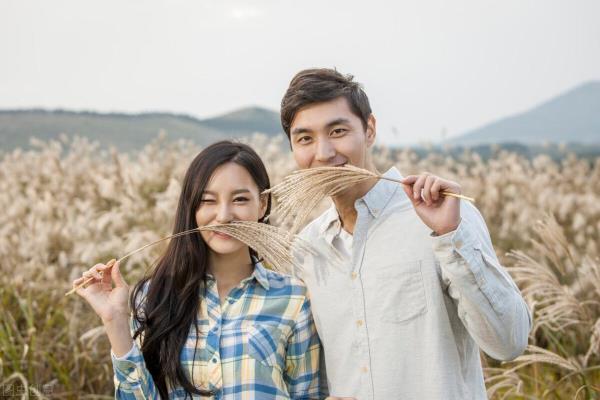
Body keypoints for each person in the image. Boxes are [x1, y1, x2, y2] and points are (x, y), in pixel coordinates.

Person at [280, 68, 532, 399]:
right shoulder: (307, 249)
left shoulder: (441, 217)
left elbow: (509, 341)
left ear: (369, 130)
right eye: (305, 139)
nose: (324, 153)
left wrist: (450, 235)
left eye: (338, 131)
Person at [72, 140, 322, 399]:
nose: (224, 216)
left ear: (262, 204)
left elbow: (308, 394)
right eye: (207, 201)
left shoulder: (293, 298)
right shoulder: (155, 296)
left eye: (239, 199)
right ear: (192, 208)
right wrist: (115, 322)